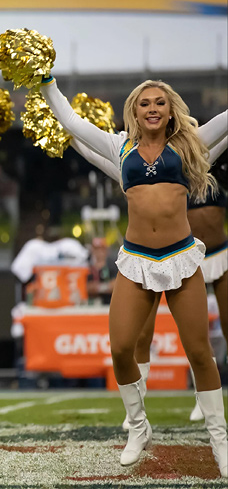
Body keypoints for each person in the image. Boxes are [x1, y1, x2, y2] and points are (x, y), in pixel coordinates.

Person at [40, 75, 227, 475]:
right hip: (137, 259)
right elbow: (72, 122)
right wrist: (46, 83)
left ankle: (219, 439)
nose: (153, 108)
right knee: (122, 347)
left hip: (180, 258)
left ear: (171, 108)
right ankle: (139, 428)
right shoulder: (119, 145)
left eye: (160, 102)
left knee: (199, 352)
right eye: (145, 103)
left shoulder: (189, 144)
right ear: (135, 111)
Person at [70, 119, 226, 427]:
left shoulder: (192, 156)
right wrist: (71, 139)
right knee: (140, 334)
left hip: (201, 254)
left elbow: (216, 143)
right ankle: (137, 402)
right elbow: (98, 157)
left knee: (200, 339)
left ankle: (205, 398)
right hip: (152, 257)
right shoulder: (131, 161)